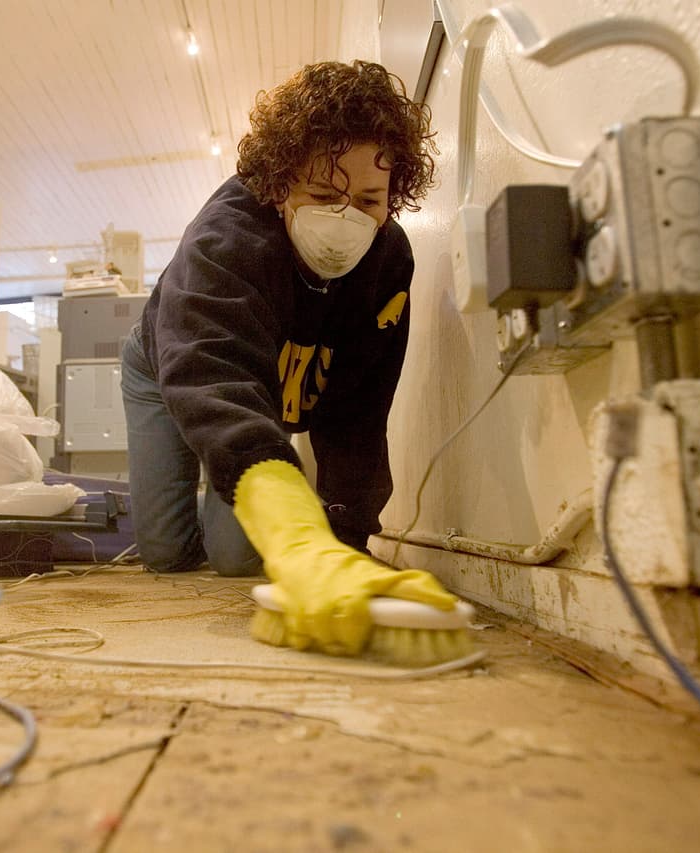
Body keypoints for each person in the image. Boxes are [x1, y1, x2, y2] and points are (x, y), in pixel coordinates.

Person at [121, 60, 459, 656]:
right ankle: (204, 475)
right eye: (324, 194)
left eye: (371, 199)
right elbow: (213, 374)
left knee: (234, 559)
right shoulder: (226, 241)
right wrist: (295, 531)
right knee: (167, 556)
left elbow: (358, 409)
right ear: (278, 186)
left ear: (394, 195)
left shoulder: (390, 262)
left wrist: (345, 542)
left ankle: (226, 481)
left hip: (270, 383)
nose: (347, 218)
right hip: (172, 370)